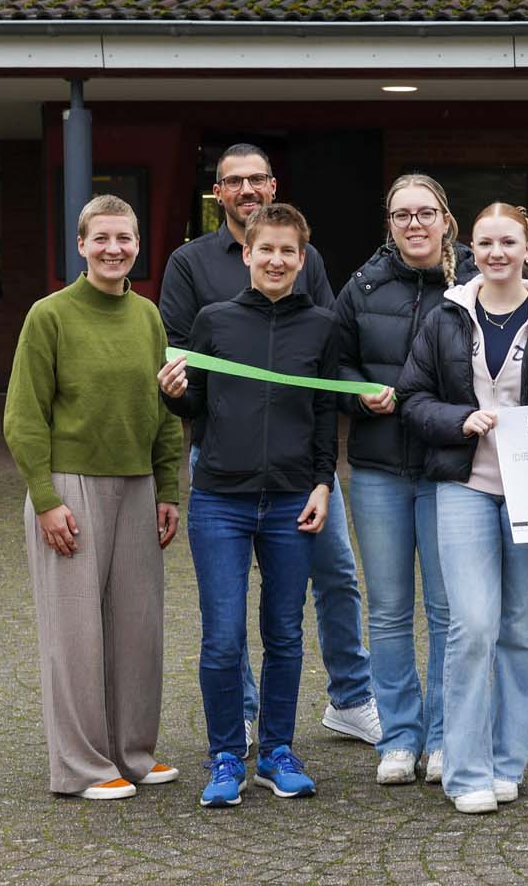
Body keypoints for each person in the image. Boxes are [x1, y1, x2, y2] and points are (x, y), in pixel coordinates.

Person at [159, 144, 378, 749]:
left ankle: (352, 698)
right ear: (219, 194)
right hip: (223, 459)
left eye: (257, 178)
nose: (246, 188)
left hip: (300, 466)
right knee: (227, 616)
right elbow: (182, 357)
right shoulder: (190, 263)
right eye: (234, 181)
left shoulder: (305, 262)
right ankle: (245, 714)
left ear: (273, 184)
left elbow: (320, 363)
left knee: (336, 575)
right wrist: (178, 391)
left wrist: (344, 423)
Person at [398, 202, 528, 814]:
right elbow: (411, 397)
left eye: (508, 242)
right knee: (472, 626)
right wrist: (458, 419)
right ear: (469, 248)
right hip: (463, 484)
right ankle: (465, 768)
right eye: (484, 243)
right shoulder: (448, 316)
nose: (496, 253)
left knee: (521, 630)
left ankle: (508, 762)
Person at [158, 203, 339, 807]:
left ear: (303, 258)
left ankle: (278, 751)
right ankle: (226, 756)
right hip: (220, 500)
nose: (278, 260)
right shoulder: (214, 321)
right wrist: (175, 396)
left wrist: (323, 484)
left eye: (290, 251)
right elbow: (197, 408)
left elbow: (323, 414)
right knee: (223, 639)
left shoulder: (321, 325)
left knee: (285, 634)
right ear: (248, 254)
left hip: (293, 499)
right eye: (267, 250)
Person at [4, 194, 183, 800]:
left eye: (125, 239)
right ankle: (80, 767)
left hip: (137, 487)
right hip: (70, 487)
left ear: (139, 245)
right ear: (80, 245)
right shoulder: (48, 315)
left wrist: (167, 487)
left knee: (139, 629)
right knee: (75, 634)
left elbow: (163, 413)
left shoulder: (149, 316)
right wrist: (45, 496)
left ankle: (132, 754)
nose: (114, 249)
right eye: (101, 238)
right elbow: (23, 416)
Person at [335, 174, 477, 787]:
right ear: (388, 225)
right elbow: (334, 361)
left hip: (449, 467)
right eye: (401, 216)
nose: (414, 225)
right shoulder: (362, 286)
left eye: (425, 213)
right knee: (390, 610)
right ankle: (399, 735)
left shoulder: (475, 285)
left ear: (447, 218)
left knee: (449, 611)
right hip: (378, 468)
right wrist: (357, 391)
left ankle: (447, 735)